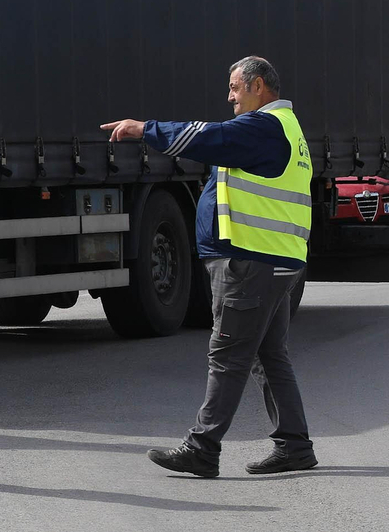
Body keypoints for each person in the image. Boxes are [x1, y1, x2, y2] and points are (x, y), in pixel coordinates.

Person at [102, 56, 316, 479]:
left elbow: (207, 137)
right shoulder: (285, 127)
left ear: (257, 86)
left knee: (228, 355)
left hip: (253, 261)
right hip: (274, 260)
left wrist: (146, 129)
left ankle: (202, 448)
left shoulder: (263, 127)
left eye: (235, 87)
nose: (230, 96)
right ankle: (295, 445)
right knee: (268, 355)